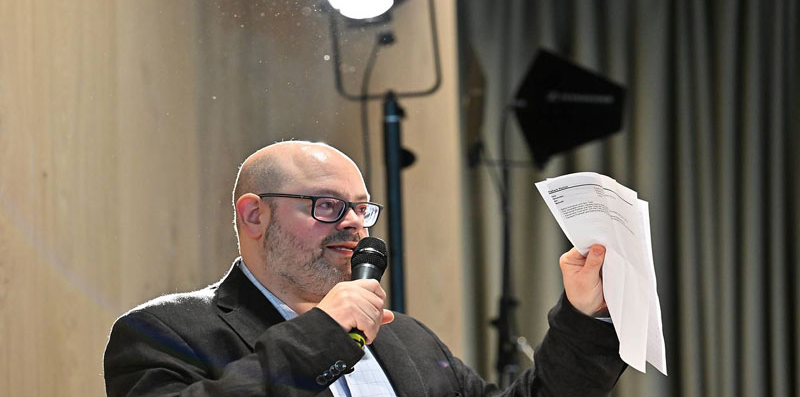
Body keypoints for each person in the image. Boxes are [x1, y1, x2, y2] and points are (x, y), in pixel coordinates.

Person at [104, 140, 625, 396]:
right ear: (254, 215)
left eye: (360, 208)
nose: (354, 223)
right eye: (328, 206)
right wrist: (325, 334)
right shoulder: (164, 332)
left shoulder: (408, 341)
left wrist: (586, 317)